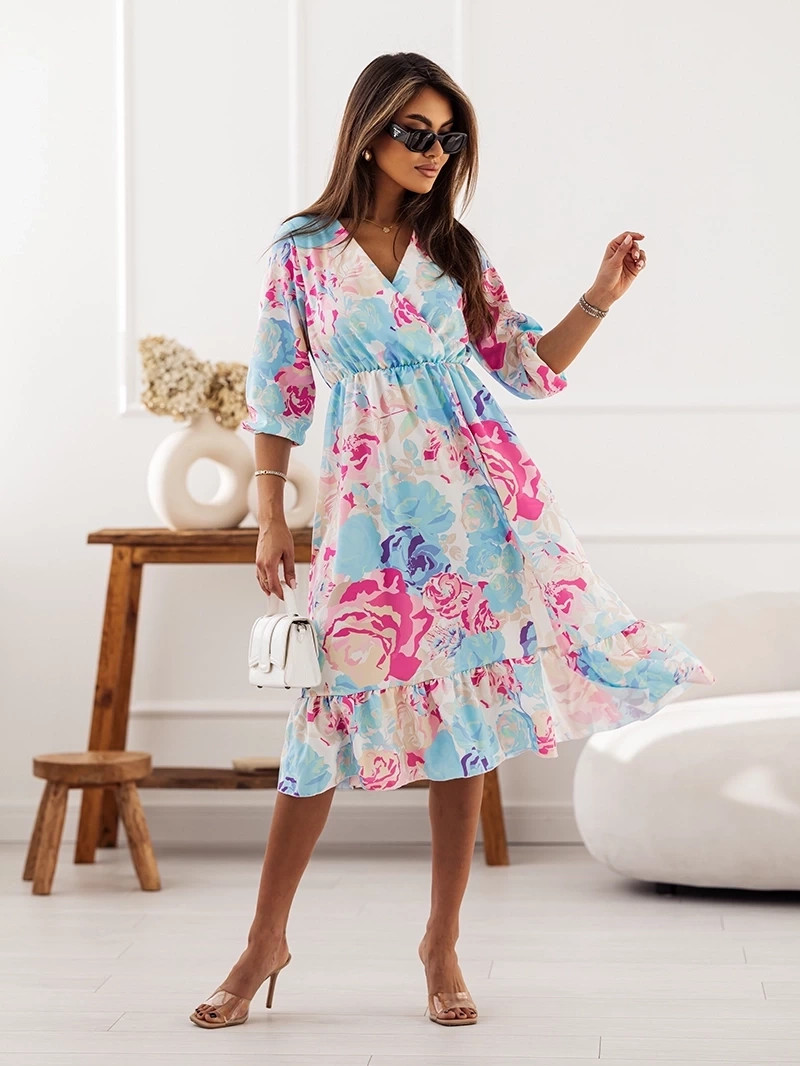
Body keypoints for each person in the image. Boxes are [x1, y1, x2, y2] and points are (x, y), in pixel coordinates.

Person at [190, 51, 716, 1031]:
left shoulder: (454, 250)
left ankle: (441, 943)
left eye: (449, 137)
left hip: (474, 507)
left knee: (466, 721)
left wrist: (601, 294)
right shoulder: (303, 251)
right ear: (369, 135)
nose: (435, 151)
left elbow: (524, 366)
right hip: (363, 513)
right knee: (323, 713)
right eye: (416, 132)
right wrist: (268, 511)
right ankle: (264, 939)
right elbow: (278, 388)